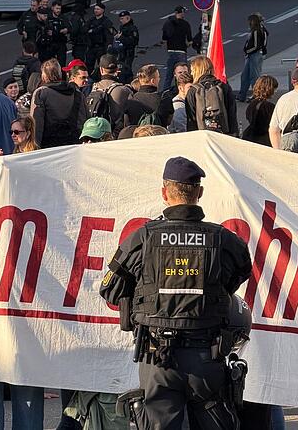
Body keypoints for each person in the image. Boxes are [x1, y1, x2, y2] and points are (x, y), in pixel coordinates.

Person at [100, 156, 252, 430]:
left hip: (158, 360)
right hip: (208, 357)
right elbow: (237, 278)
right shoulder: (225, 240)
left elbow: (110, 290)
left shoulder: (143, 238)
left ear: (164, 192)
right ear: (199, 193)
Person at [31, 59, 88, 148]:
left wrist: (35, 147)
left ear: (44, 75)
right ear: (60, 73)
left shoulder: (41, 93)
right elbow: (84, 119)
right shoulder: (77, 93)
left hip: (49, 146)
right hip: (74, 144)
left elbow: (36, 123)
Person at [185, 56, 239, 136]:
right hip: (224, 135)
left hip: (202, 136)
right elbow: (232, 115)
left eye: (192, 70)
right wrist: (234, 135)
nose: (191, 74)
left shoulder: (193, 91)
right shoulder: (224, 87)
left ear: (197, 71)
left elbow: (191, 120)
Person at [92, 54, 132, 137]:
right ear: (117, 70)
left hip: (95, 132)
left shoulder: (92, 88)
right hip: (115, 134)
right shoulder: (124, 90)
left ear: (101, 70)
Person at [239, 75, 278, 146]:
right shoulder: (269, 106)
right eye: (274, 89)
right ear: (269, 89)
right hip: (265, 140)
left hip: (250, 137)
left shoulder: (252, 103)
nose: (276, 91)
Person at [161, 6, 193, 92]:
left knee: (169, 74)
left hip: (170, 51)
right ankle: (181, 90)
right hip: (181, 51)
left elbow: (164, 38)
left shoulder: (167, 23)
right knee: (183, 75)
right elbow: (190, 40)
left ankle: (165, 92)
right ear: (182, 13)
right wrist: (187, 45)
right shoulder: (185, 24)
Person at [237, 14, 268, 102]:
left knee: (254, 76)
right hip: (253, 54)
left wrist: (247, 51)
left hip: (255, 55)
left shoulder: (257, 31)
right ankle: (242, 95)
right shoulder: (261, 30)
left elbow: (256, 45)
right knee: (245, 76)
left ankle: (256, 95)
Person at [86, 3, 114, 78]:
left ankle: (101, 79)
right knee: (89, 65)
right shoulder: (91, 20)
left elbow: (109, 35)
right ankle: (89, 79)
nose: (96, 10)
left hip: (101, 47)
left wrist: (108, 45)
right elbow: (85, 30)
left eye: (98, 9)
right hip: (91, 47)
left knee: (102, 65)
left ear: (103, 10)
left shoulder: (106, 21)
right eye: (95, 9)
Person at [158, 62, 190, 128]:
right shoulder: (167, 94)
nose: (183, 75)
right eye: (180, 72)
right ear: (174, 74)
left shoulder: (194, 91)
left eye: (185, 72)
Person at [116, 11, 139, 84]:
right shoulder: (122, 27)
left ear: (128, 18)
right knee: (120, 67)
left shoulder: (132, 28)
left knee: (127, 68)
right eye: (120, 19)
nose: (121, 20)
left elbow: (133, 41)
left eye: (122, 18)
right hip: (121, 51)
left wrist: (121, 38)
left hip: (129, 51)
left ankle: (128, 82)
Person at [49, 2, 69, 66]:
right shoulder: (48, 18)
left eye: (59, 9)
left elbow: (69, 28)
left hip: (61, 43)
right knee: (51, 64)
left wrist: (66, 30)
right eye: (57, 8)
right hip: (51, 43)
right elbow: (47, 31)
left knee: (62, 63)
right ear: (52, 8)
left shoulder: (63, 18)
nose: (58, 10)